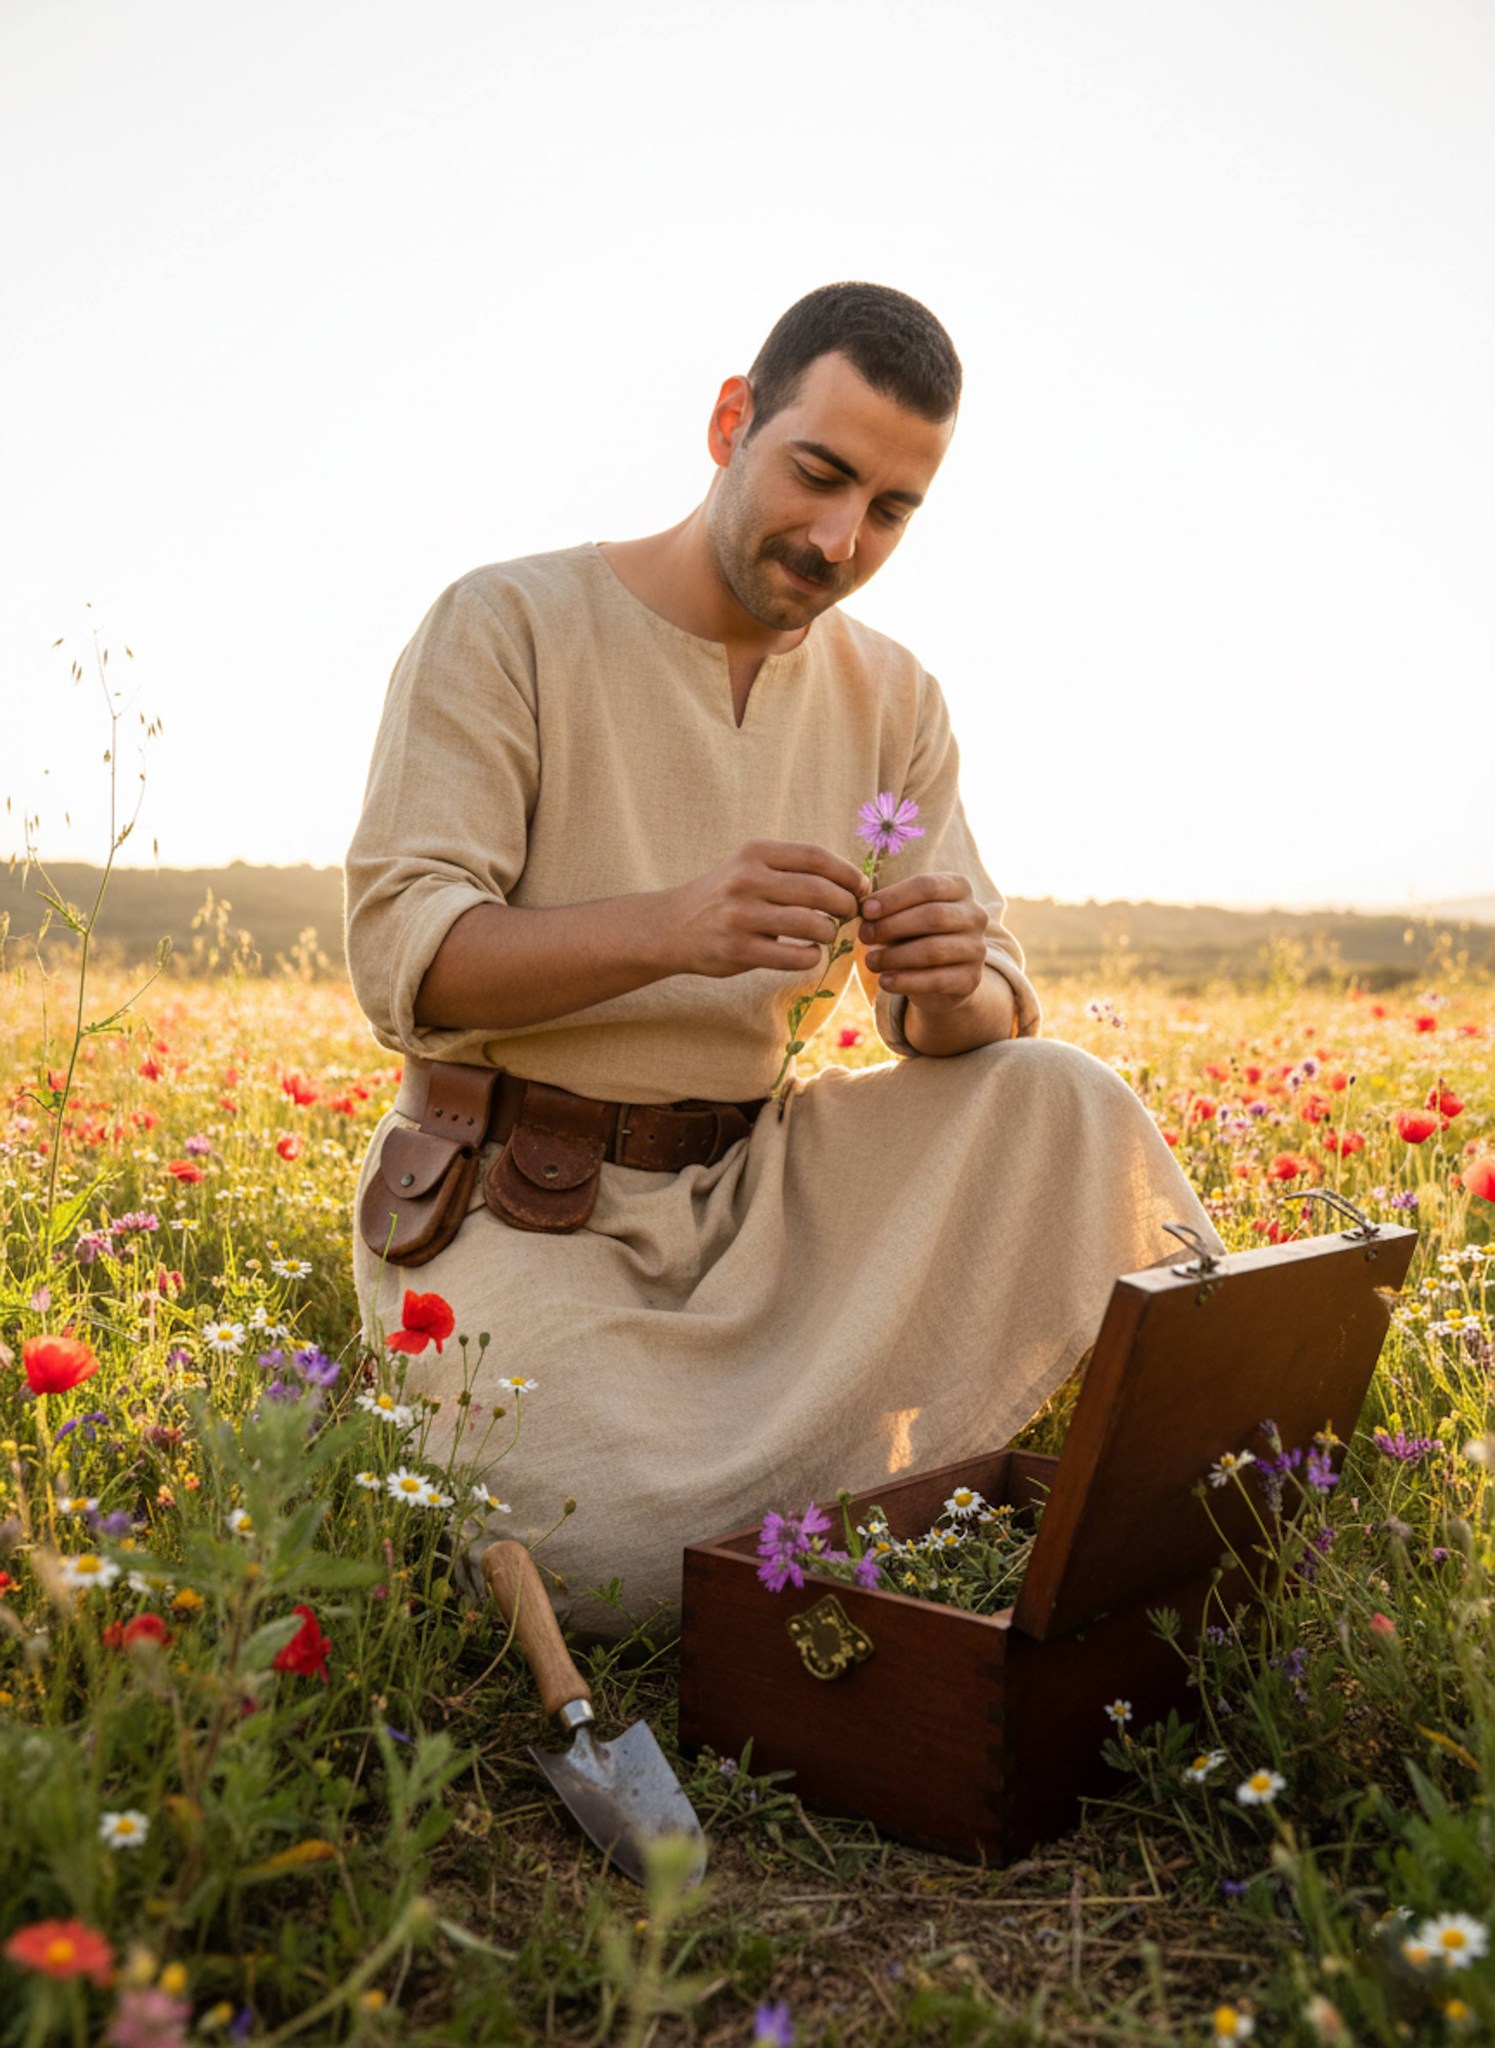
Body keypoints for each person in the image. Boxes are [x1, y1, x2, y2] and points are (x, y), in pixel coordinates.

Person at [345, 281, 1222, 1629]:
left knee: (1063, 1095)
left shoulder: (898, 696)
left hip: (765, 1206)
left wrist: (950, 987)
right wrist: (670, 928)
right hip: (524, 1203)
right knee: (601, 1556)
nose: (838, 538)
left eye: (889, 510)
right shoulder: (506, 622)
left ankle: (1204, 1495)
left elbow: (975, 1007)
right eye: (818, 475)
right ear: (728, 422)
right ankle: (825, 1484)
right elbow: (406, 955)